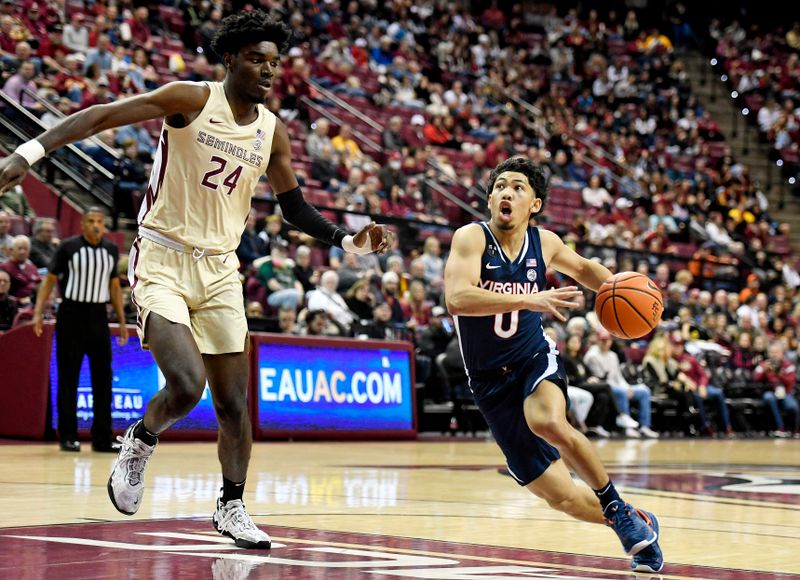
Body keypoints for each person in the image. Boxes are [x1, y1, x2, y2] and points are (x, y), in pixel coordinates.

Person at [0, 10, 391, 550]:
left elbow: (294, 208)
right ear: (229, 57)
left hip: (220, 269)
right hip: (161, 257)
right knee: (187, 385)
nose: (268, 70)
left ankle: (231, 506)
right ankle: (140, 439)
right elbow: (100, 115)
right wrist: (29, 151)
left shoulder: (270, 131)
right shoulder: (191, 99)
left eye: (275, 63)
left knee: (234, 405)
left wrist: (349, 242)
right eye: (256, 59)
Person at [444, 157, 663, 573]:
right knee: (561, 497)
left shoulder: (544, 243)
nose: (506, 192)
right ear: (490, 197)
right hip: (489, 382)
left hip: (531, 358)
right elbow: (458, 298)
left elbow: (583, 270)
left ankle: (615, 507)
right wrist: (529, 299)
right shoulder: (470, 238)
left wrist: (623, 288)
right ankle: (638, 521)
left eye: (517, 188)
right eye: (500, 186)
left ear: (535, 204)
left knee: (547, 420)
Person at [32, 207, 127, 453]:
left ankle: (102, 438)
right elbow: (49, 281)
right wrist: (38, 313)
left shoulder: (110, 249)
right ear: (82, 225)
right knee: (69, 377)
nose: (96, 225)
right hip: (71, 315)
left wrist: (122, 322)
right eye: (91, 221)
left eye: (99, 221)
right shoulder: (67, 247)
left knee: (103, 378)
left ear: (104, 226)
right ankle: (68, 435)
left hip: (98, 316)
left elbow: (114, 287)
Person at [584, 328, 659, 439]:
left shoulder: (613, 355)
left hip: (618, 386)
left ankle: (645, 426)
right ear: (598, 341)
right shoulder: (592, 356)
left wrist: (627, 387)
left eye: (607, 340)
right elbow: (602, 379)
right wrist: (623, 389)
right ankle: (627, 427)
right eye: (603, 341)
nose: (605, 343)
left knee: (644, 391)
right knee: (621, 392)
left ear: (611, 341)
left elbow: (618, 376)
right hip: (605, 387)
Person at [754, 342, 799, 438]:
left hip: (786, 392)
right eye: (772, 352)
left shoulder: (788, 365)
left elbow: (791, 381)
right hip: (770, 392)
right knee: (769, 397)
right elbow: (755, 379)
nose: (774, 354)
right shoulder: (764, 364)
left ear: (782, 353)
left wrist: (779, 374)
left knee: (793, 406)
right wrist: (764, 371)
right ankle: (780, 428)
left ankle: (795, 430)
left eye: (776, 352)